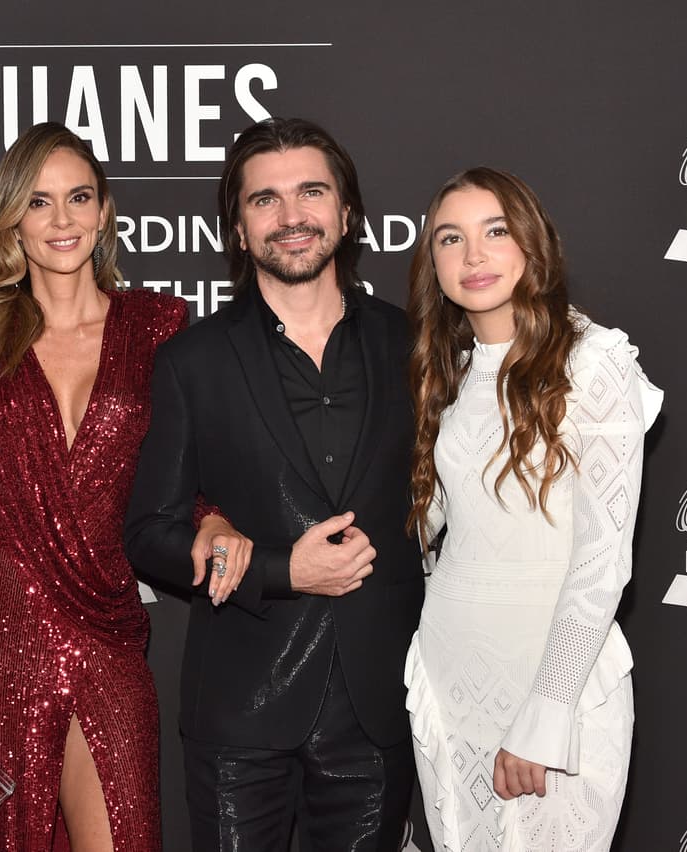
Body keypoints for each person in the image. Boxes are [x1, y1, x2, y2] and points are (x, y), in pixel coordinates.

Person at [124, 117, 423, 850]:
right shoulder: (192, 362)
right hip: (240, 713)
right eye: (265, 200)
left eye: (311, 192)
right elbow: (151, 534)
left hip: (378, 708)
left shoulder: (414, 345)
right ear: (236, 227)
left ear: (347, 214)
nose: (291, 217)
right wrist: (284, 568)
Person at [0, 121, 188, 851]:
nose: (61, 221)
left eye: (78, 198)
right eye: (38, 202)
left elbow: (190, 472)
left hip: (106, 627)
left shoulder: (160, 325)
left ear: (104, 211)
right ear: (11, 221)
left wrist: (214, 521)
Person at [403, 167, 662, 851]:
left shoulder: (595, 363)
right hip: (449, 676)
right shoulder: (445, 373)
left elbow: (603, 560)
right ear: (433, 263)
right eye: (450, 239)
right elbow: (434, 539)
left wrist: (544, 715)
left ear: (532, 245)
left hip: (553, 685)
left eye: (495, 231)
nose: (474, 256)